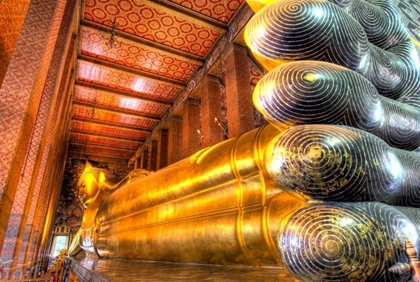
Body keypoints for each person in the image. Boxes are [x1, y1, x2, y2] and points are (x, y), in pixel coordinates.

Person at [69, 0, 420, 281]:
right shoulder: (94, 216)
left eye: (84, 181)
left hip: (327, 160)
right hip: (121, 229)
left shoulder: (125, 183)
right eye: (81, 189)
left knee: (254, 165)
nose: (81, 191)